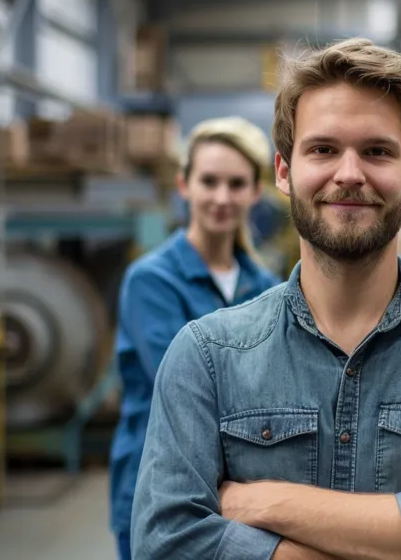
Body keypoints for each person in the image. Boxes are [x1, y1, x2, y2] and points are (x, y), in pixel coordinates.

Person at [131, 37, 401, 560]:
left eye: (376, 151)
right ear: (284, 172)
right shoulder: (207, 355)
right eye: (323, 149)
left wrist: (267, 503)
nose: (349, 174)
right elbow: (167, 544)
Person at [108, 116, 281, 560]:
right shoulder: (151, 282)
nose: (222, 197)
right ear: (184, 186)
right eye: (209, 181)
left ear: (255, 191)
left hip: (244, 490)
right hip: (162, 483)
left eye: (236, 183)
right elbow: (189, 390)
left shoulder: (265, 285)